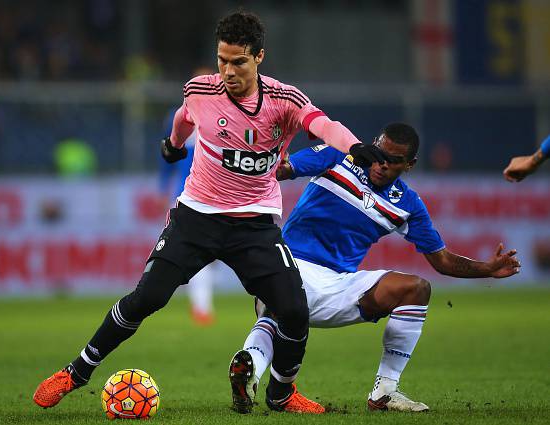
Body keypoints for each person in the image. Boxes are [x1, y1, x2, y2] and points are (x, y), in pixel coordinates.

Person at [33, 11, 387, 414]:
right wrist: (172, 144)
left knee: (292, 308)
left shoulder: (284, 101)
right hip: (196, 218)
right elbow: (184, 118)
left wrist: (354, 146)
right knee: (146, 298)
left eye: (238, 61)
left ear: (259, 57)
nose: (228, 70)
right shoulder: (201, 90)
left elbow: (323, 125)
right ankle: (75, 373)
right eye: (222, 60)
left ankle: (281, 395)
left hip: (254, 225)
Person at [229, 123, 521, 413]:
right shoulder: (338, 156)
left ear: (409, 164)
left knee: (416, 289)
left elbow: (442, 261)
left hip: (339, 284)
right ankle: (249, 374)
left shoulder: (407, 203)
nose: (381, 164)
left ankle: (384, 392)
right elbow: (282, 170)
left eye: (393, 161)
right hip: (288, 266)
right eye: (379, 154)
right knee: (276, 311)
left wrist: (487, 268)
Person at [159, 65, 217, 326]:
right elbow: (168, 154)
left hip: (220, 195)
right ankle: (201, 307)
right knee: (196, 252)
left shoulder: (223, 116)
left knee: (202, 254)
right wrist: (163, 187)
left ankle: (197, 301)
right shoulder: (181, 116)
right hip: (188, 195)